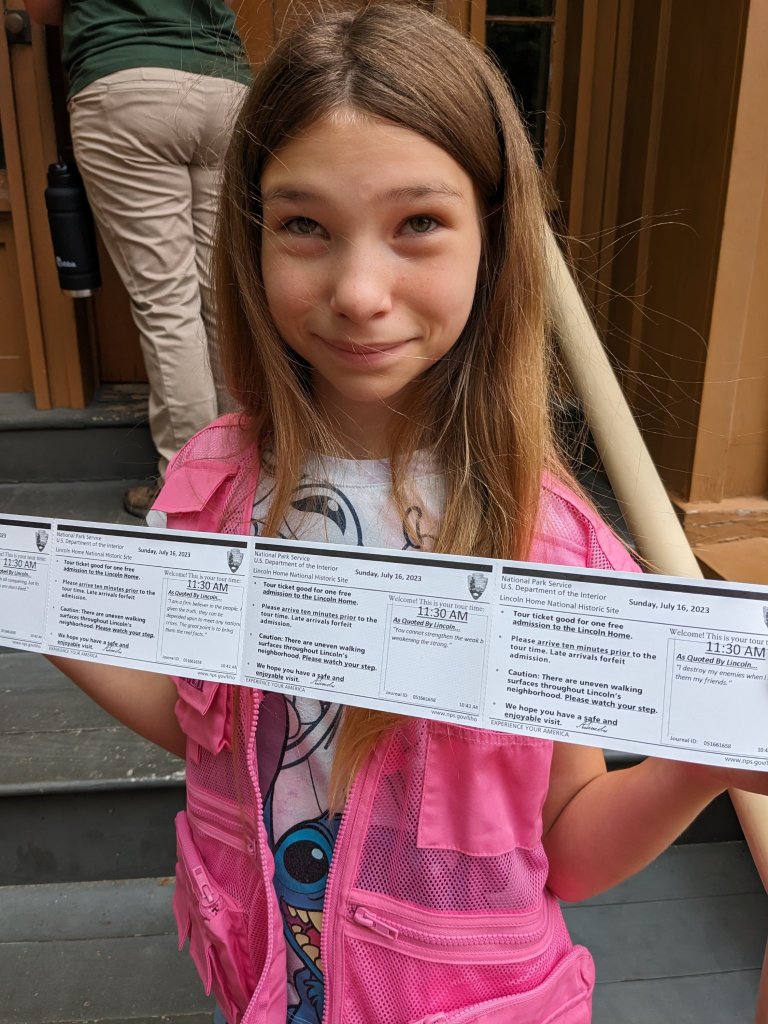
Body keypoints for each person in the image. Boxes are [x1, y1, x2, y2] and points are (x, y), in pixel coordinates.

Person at [47, 6, 768, 1023]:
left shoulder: (547, 541)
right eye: (304, 225)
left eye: (418, 223)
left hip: (458, 998)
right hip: (266, 978)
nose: (359, 291)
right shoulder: (214, 484)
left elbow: (567, 846)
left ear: (495, 239)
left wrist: (698, 766)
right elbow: (203, 725)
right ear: (251, 238)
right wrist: (47, 612)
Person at [27, 0, 251, 517]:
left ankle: (192, 491)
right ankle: (247, 473)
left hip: (126, 83)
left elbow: (40, 9)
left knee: (168, 304)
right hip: (221, 84)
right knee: (224, 296)